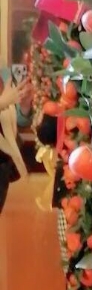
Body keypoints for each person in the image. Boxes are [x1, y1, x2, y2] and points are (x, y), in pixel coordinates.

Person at [0, 69, 32, 213]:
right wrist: (2, 102)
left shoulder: (5, 74)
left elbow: (19, 122)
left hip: (5, 166)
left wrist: (25, 107)